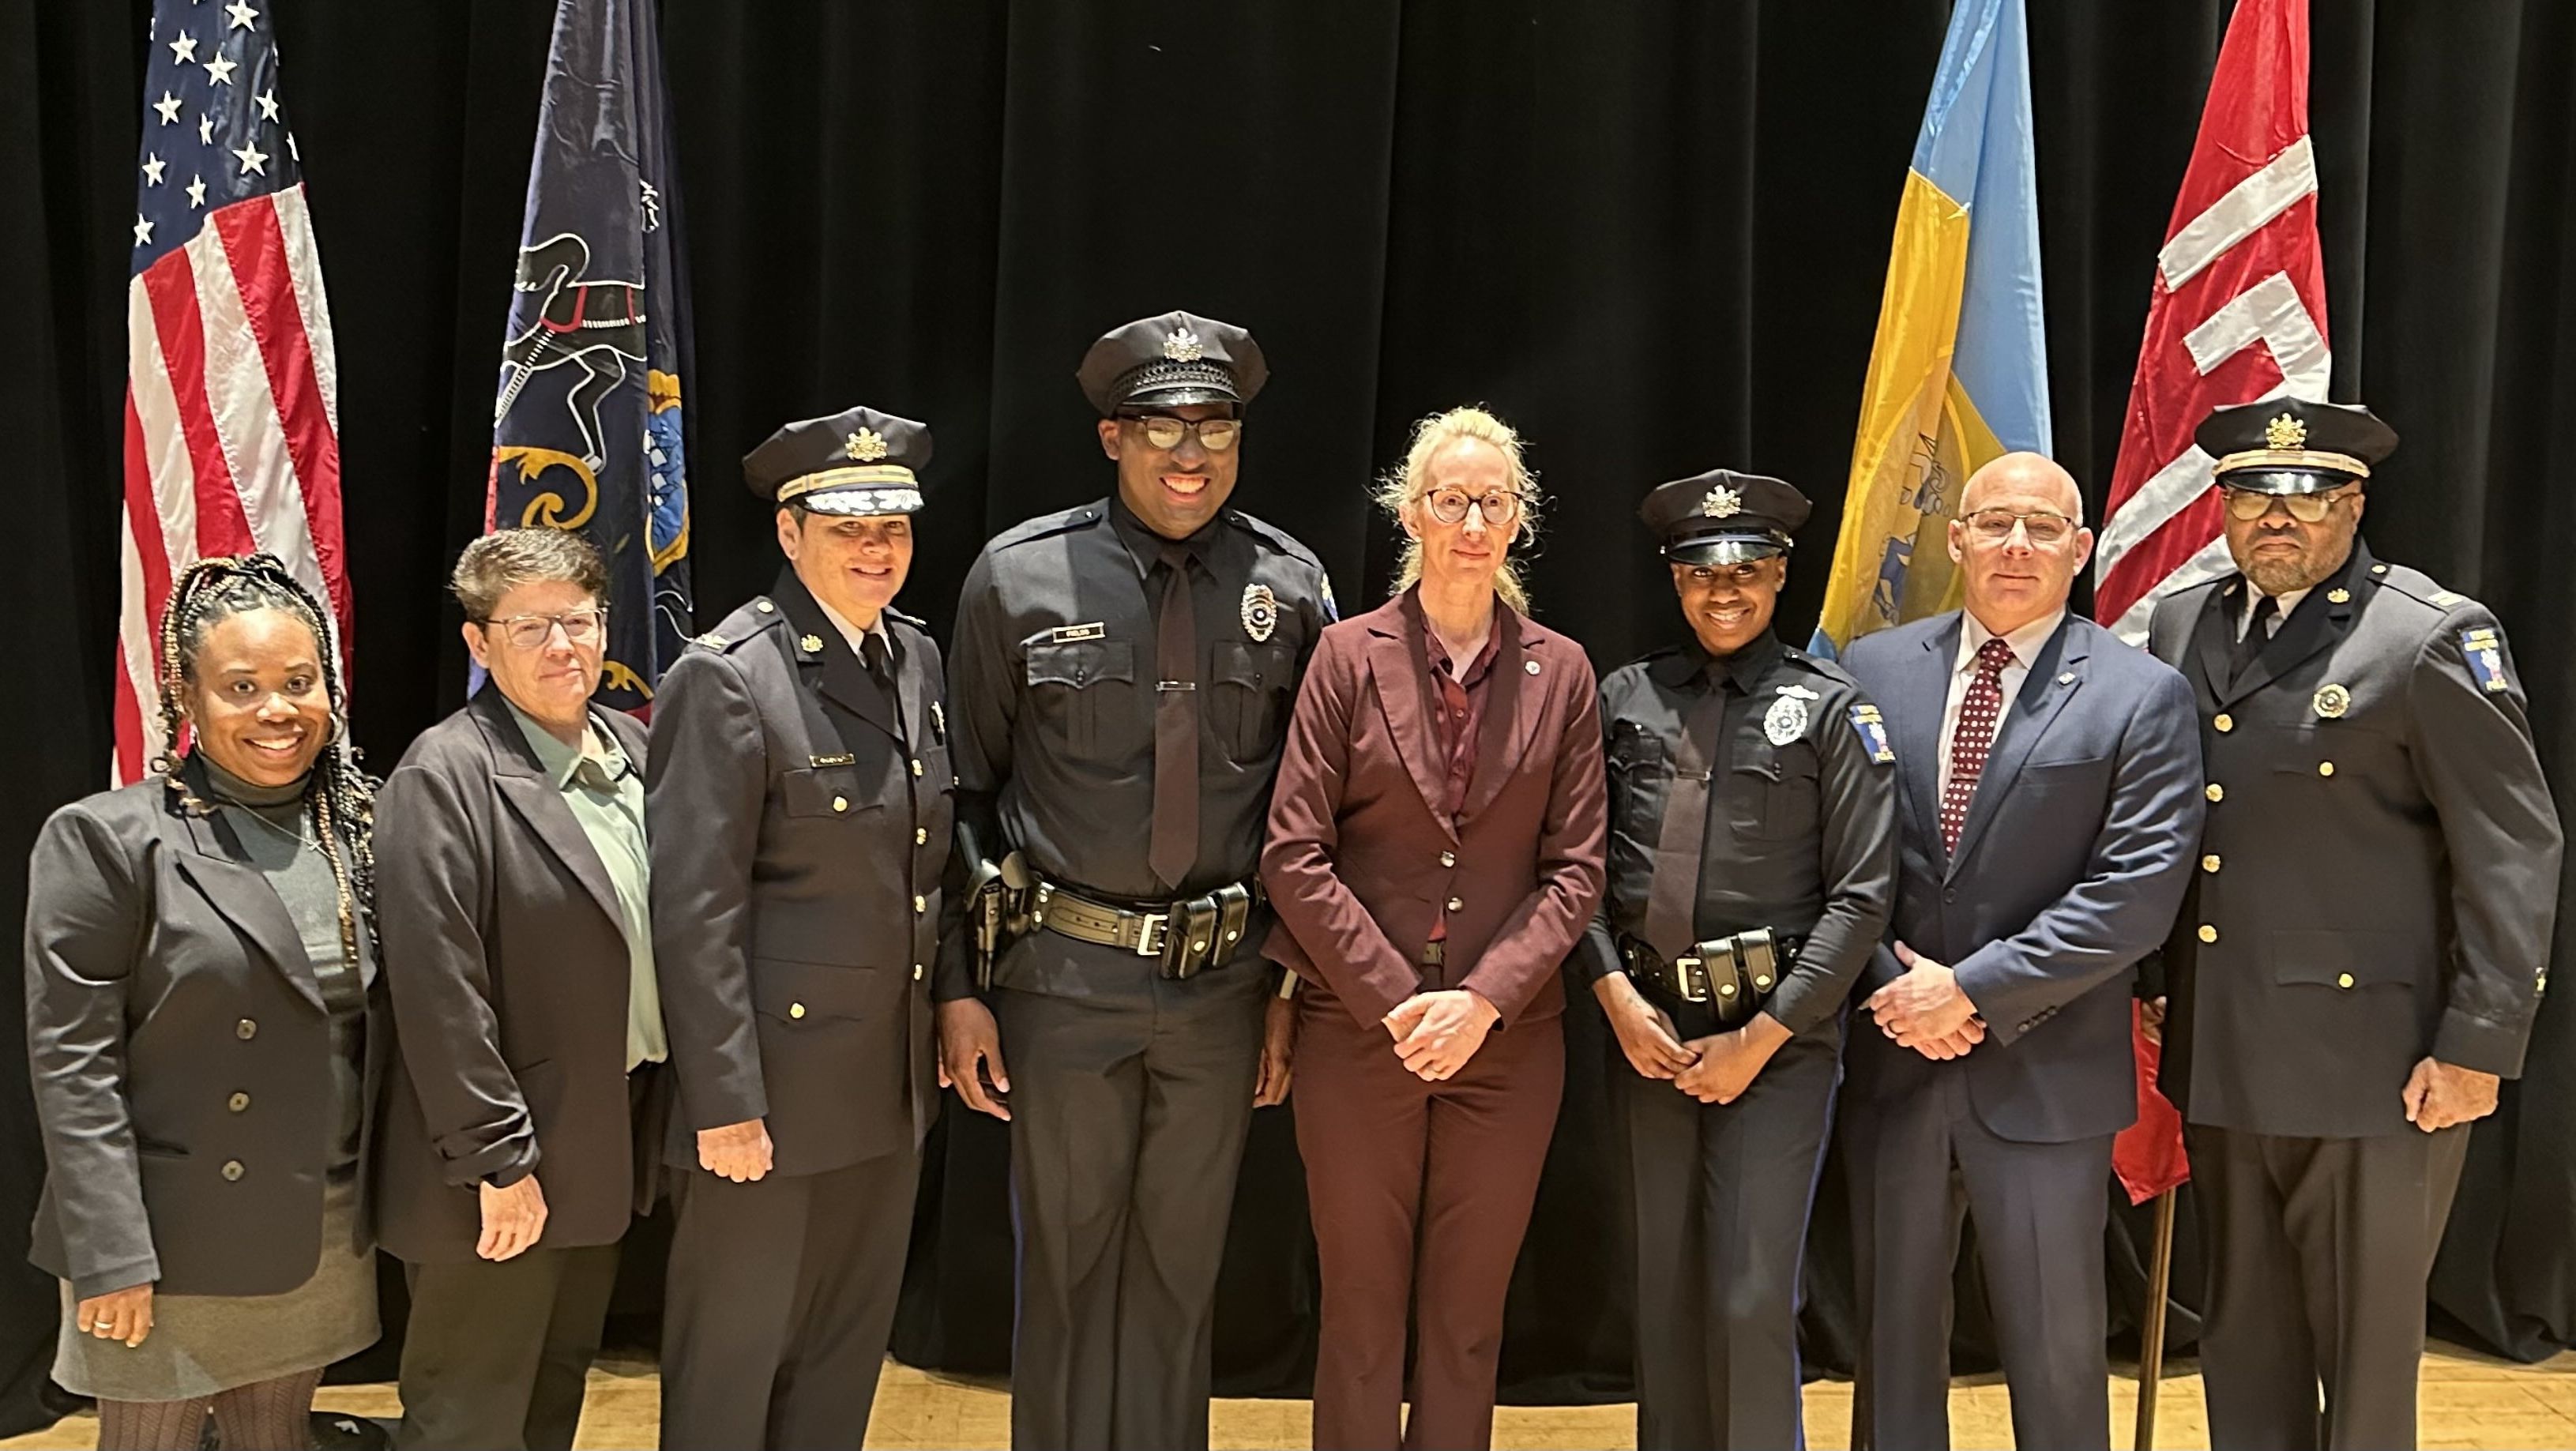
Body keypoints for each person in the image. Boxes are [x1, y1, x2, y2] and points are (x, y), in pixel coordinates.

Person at [935, 310, 1329, 1450]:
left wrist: (1289, 993)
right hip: (1063, 979)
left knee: (1179, 1272)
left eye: (1214, 425)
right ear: (1113, 436)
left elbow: (1312, 815)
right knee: (1063, 1269)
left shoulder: (1291, 585)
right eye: (1161, 426)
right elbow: (961, 797)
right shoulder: (1018, 577)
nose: (1189, 452)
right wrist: (961, 986)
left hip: (1218, 993)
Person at [2146, 399, 2559, 1450]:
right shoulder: (2183, 621)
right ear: (2222, 506)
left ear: (2354, 502)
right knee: (2241, 1341)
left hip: (2375, 1069)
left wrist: (2478, 1048)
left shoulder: (2427, 637)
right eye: (2252, 494)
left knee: (2365, 1361)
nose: (2276, 518)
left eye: (2306, 495)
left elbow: (2511, 854)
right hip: (2224, 1052)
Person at [1837, 453, 2202, 1451]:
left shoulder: (2141, 693)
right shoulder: (1867, 670)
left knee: (2054, 1353)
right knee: (1893, 1348)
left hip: (2048, 1077)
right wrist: (1894, 990)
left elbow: (2134, 896)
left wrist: (1971, 992)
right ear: (1954, 538)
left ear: (2081, 551)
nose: (2015, 545)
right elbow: (1833, 862)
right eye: (1994, 522)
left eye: (2043, 528)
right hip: (1895, 1059)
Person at [1262, 407, 1607, 1451]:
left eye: (1492, 502)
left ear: (1519, 522)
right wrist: (1398, 999)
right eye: (1450, 500)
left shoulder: (1564, 670)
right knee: (1359, 1317)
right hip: (1358, 1038)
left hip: (1507, 1049)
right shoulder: (1344, 657)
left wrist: (1482, 1001)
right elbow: (1292, 851)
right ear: (1411, 512)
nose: (1470, 520)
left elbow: (1577, 868)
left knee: (1466, 1322)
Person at [1570, 470, 1896, 1450]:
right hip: (1649, 1031)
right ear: (1676, 578)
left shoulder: (1831, 707)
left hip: (1776, 1041)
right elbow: (1574, 867)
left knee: (1752, 1292)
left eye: (1748, 570)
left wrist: (1763, 1036)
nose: (1726, 592)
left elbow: (1862, 896)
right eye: (1703, 571)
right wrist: (1613, 993)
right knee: (1663, 1290)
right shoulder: (1625, 697)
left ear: (1781, 573)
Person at [25, 554, 382, 1451]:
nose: (276, 710)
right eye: (241, 686)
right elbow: (75, 1070)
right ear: (187, 696)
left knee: (276, 1439)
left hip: (320, 1218)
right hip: (166, 1235)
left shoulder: (362, 828)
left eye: (299, 682)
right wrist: (110, 1255)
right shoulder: (108, 840)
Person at [648, 408, 953, 1450]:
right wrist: (724, 1103)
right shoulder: (728, 678)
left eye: (895, 530)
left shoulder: (912, 658)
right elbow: (695, 914)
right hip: (767, 1106)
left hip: (883, 1090)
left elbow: (918, 876)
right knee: (730, 1371)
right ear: (789, 532)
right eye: (848, 528)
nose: (878, 551)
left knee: (839, 1362)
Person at [372, 528, 664, 1451]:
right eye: (530, 626)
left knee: (549, 1397)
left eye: (577, 621)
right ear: (478, 642)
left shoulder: (637, 751)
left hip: (599, 1134)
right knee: (469, 1416)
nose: (561, 647)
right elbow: (438, 993)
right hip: (495, 1163)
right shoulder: (443, 776)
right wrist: (499, 1162)